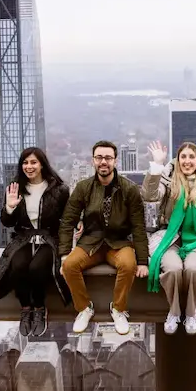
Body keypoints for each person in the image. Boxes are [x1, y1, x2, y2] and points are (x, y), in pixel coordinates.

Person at [59, 140, 149, 335]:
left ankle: (118, 309)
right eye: (99, 158)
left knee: (128, 265)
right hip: (91, 242)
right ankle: (84, 308)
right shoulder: (84, 188)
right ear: (93, 161)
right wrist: (64, 253)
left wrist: (143, 260)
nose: (103, 162)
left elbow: (138, 226)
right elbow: (67, 220)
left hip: (119, 242)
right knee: (69, 266)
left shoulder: (129, 189)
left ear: (115, 161)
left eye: (108, 158)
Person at [143, 141, 196, 335]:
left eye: (192, 157)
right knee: (173, 269)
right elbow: (149, 196)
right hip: (168, 237)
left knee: (192, 269)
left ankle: (191, 312)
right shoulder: (168, 183)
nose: (187, 161)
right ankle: (174, 312)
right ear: (177, 160)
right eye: (183, 157)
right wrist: (157, 165)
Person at [0, 147, 71, 337]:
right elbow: (7, 223)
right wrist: (10, 207)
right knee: (17, 266)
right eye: (25, 163)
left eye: (33, 162)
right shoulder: (16, 188)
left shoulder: (59, 189)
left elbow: (67, 219)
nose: (29, 166)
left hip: (49, 239)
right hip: (23, 237)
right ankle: (26, 308)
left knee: (37, 268)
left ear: (42, 164)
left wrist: (72, 236)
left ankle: (40, 308)